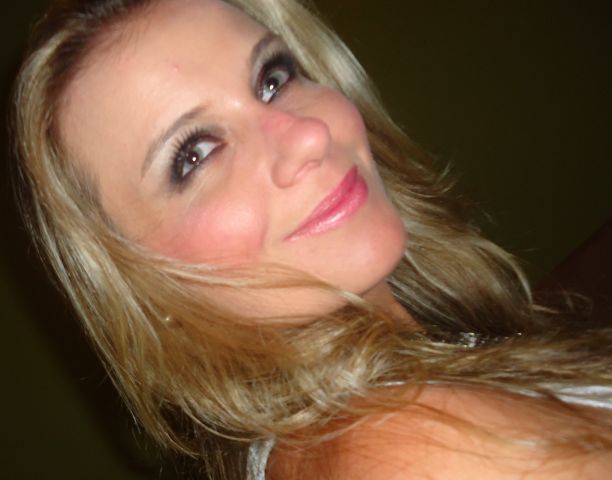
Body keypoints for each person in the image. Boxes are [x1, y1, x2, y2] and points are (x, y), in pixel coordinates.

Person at [11, 0, 612, 478]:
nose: (306, 136)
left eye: (273, 78)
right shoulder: (414, 446)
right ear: (141, 285)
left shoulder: (366, 417)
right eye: (195, 153)